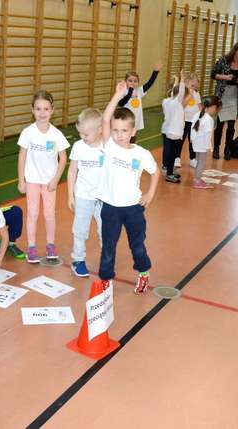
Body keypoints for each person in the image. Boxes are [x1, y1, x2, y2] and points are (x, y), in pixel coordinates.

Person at [97, 82, 159, 295]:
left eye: (124, 131)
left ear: (133, 131)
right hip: (110, 207)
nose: (119, 135)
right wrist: (117, 95)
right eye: (115, 130)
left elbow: (155, 172)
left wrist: (150, 193)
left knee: (137, 245)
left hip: (133, 208)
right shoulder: (110, 147)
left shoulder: (141, 154)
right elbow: (105, 118)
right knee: (108, 246)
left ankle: (143, 272)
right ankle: (106, 278)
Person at [17, 90, 69, 263]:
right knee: (32, 213)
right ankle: (31, 247)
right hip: (32, 181)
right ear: (32, 110)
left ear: (52, 110)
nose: (42, 113)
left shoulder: (56, 134)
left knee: (49, 214)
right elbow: (22, 156)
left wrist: (55, 179)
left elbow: (63, 158)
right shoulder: (28, 132)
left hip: (49, 183)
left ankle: (50, 245)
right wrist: (21, 180)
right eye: (38, 109)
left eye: (46, 109)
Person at [67, 108, 104, 277]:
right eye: (80, 133)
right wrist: (70, 195)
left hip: (103, 197)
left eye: (86, 134)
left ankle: (106, 258)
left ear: (100, 130)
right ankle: (78, 260)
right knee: (80, 230)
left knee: (105, 230)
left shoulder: (107, 146)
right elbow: (72, 172)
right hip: (83, 195)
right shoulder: (78, 147)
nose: (83, 137)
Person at [211, 40, 238, 160]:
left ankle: (228, 149)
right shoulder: (223, 60)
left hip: (235, 97)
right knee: (220, 125)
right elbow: (213, 74)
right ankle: (216, 148)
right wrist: (225, 77)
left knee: (231, 126)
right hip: (222, 96)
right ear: (235, 50)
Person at [118, 62, 162, 133]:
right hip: (126, 122)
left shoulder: (139, 91)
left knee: (134, 138)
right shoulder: (123, 92)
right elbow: (121, 104)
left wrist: (155, 72)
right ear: (126, 82)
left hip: (136, 122)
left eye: (135, 81)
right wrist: (130, 92)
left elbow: (149, 83)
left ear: (138, 83)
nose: (133, 83)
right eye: (130, 81)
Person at [191, 96, 222, 189]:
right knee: (201, 163)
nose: (216, 111)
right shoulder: (209, 119)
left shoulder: (197, 114)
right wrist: (210, 147)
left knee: (198, 161)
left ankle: (197, 178)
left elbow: (192, 129)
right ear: (213, 107)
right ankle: (197, 181)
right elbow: (208, 136)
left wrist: (192, 139)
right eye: (216, 109)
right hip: (202, 144)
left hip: (196, 142)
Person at [161, 70, 187, 184]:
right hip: (175, 132)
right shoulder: (176, 102)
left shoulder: (169, 102)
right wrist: (182, 79)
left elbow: (174, 93)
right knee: (172, 155)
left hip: (171, 132)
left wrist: (176, 81)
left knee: (171, 154)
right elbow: (179, 92)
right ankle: (169, 174)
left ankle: (170, 171)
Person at [177, 72, 202, 168]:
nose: (197, 83)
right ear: (189, 81)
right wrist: (189, 93)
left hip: (193, 121)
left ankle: (192, 158)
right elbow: (182, 105)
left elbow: (199, 106)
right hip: (184, 120)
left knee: (192, 140)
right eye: (195, 81)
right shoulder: (184, 92)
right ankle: (177, 158)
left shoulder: (197, 93)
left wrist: (201, 117)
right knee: (181, 140)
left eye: (197, 81)